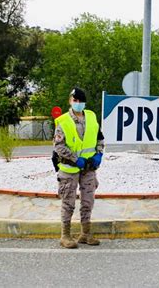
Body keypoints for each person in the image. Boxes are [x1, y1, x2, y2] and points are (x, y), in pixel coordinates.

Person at [53, 88, 104, 248]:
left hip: (89, 167)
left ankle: (85, 234)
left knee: (88, 201)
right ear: (70, 101)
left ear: (84, 102)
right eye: (75, 100)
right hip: (69, 168)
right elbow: (58, 146)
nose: (78, 104)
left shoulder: (91, 116)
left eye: (80, 101)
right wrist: (76, 159)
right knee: (68, 202)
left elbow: (99, 138)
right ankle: (65, 236)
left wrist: (99, 154)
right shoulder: (63, 121)